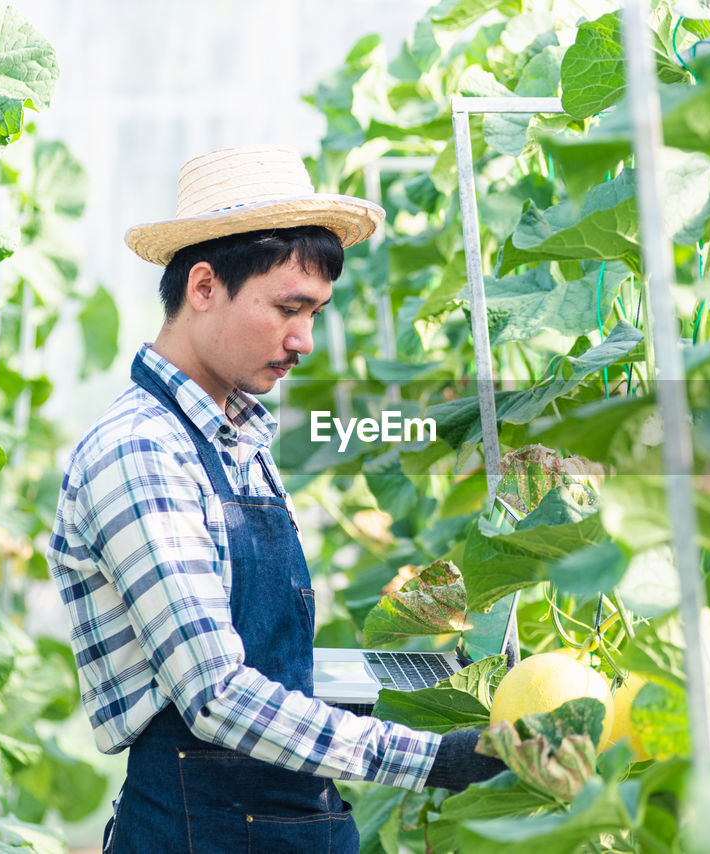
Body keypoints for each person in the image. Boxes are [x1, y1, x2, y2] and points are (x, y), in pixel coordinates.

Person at [47, 145, 504, 854]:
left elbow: (269, 665)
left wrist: (438, 685)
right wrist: (434, 759)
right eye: (288, 309)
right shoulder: (141, 452)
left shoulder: (240, 442)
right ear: (203, 287)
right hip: (204, 830)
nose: (305, 340)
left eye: (316, 312)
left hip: (288, 821)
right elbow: (218, 694)